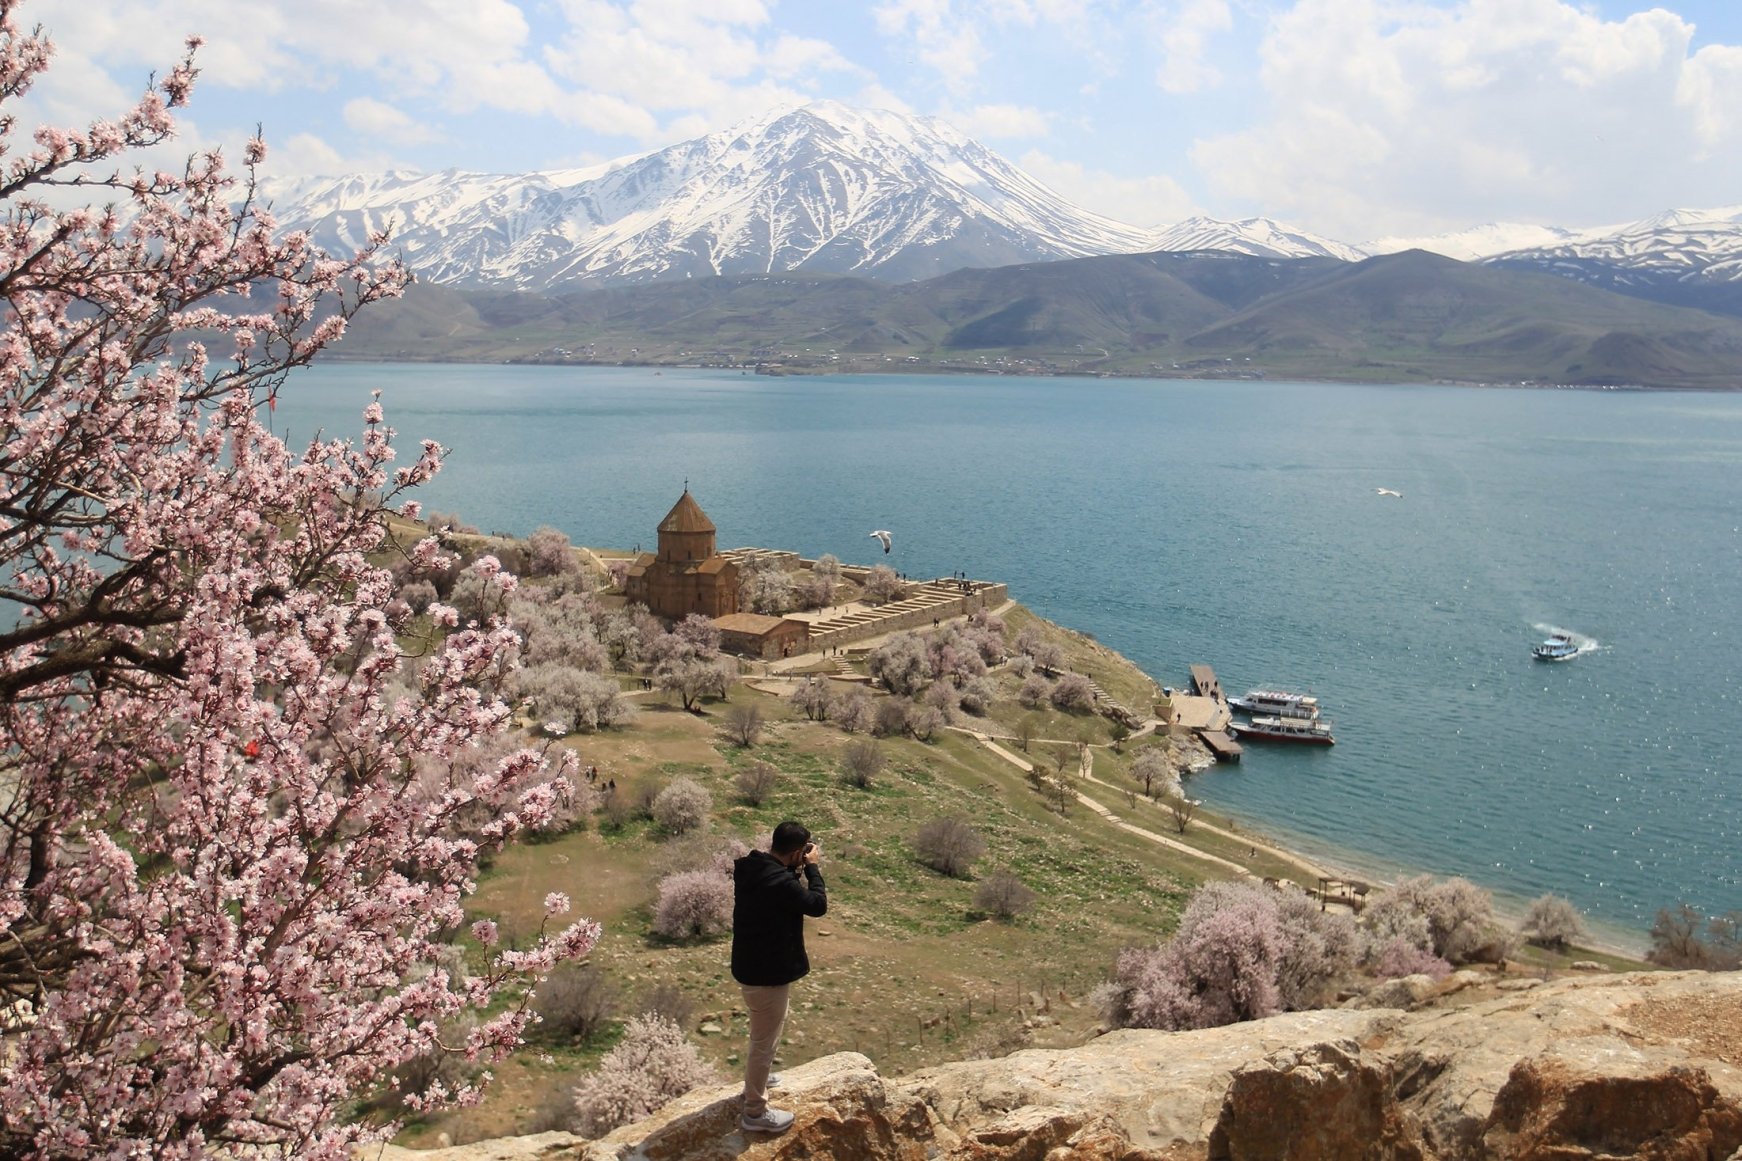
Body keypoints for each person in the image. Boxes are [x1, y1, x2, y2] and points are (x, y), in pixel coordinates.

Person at [731, 820, 826, 1134]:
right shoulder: (781, 883)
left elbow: (781, 888)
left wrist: (795, 866)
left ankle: (759, 1078)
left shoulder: (754, 869)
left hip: (751, 968)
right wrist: (812, 869)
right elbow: (816, 905)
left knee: (762, 1037)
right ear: (799, 851)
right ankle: (755, 1112)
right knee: (764, 1044)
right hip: (766, 976)